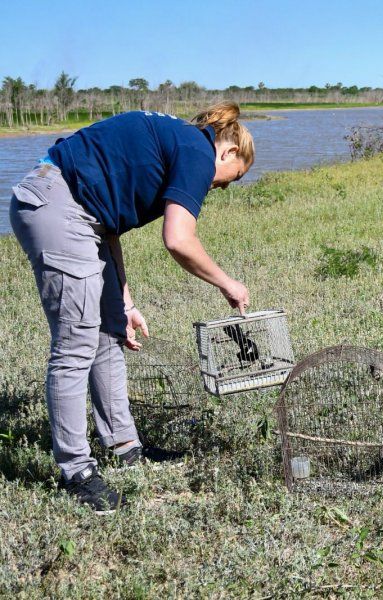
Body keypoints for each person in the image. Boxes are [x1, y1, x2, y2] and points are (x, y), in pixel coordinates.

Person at [8, 102, 254, 514]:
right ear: (228, 152)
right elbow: (178, 239)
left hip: (80, 212)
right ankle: (77, 473)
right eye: (236, 176)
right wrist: (228, 283)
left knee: (110, 331)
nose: (225, 187)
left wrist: (126, 302)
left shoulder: (180, 141)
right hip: (57, 206)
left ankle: (126, 448)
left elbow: (108, 226)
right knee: (75, 346)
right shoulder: (198, 151)